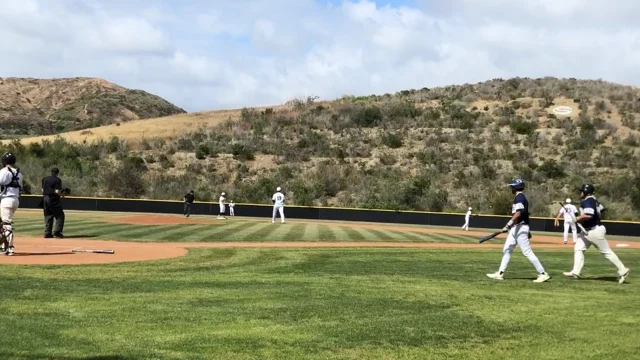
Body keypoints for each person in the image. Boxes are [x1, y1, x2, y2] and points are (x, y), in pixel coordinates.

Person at [563, 184, 630, 284]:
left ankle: (623, 270)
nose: (580, 193)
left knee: (606, 252)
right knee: (578, 248)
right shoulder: (594, 200)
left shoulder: (588, 201)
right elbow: (601, 209)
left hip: (593, 231)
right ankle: (576, 271)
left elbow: (589, 215)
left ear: (586, 192)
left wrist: (577, 218)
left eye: (582, 191)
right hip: (588, 230)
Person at [486, 178, 550, 283]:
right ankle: (500, 273)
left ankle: (542, 273)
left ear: (515, 187)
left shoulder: (519, 197)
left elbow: (518, 213)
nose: (511, 188)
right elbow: (524, 214)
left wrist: (508, 224)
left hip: (520, 228)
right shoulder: (520, 197)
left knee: (527, 252)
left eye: (512, 186)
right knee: (507, 249)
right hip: (517, 228)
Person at [0, 152, 23, 256]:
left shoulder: (3, 172)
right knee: (4, 223)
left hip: (6, 199)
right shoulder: (19, 173)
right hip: (15, 199)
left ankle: (10, 248)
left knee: (6, 223)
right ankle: (3, 246)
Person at [41, 167, 65, 238]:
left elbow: (42, 190)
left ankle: (47, 232)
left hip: (45, 198)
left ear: (51, 172)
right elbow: (57, 191)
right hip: (53, 199)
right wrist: (62, 195)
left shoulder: (44, 179)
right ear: (57, 173)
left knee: (48, 215)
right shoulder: (57, 180)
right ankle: (57, 231)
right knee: (60, 215)